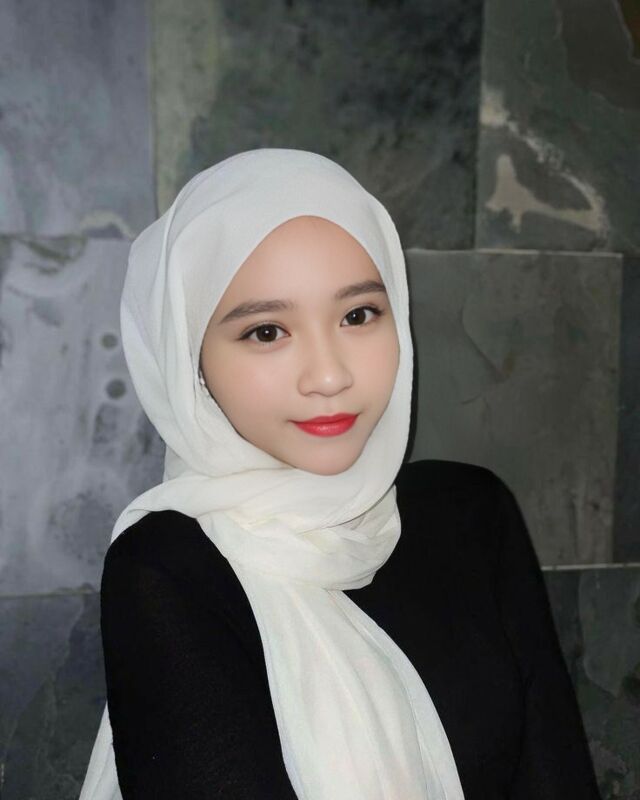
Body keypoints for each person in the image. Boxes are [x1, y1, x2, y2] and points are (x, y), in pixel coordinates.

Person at [78, 149, 601, 799]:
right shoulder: (169, 567)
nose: (329, 376)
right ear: (191, 361)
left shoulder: (471, 514)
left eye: (358, 315)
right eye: (266, 331)